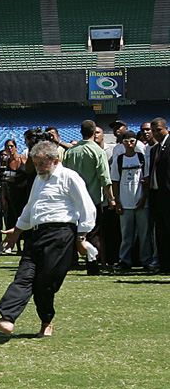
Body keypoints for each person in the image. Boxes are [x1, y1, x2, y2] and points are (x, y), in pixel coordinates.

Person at [0, 139, 96, 337]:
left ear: (55, 160)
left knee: (43, 284)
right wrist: (17, 230)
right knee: (24, 276)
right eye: (36, 165)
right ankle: (7, 319)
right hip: (37, 234)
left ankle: (46, 321)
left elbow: (87, 208)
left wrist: (81, 238)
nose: (39, 169)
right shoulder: (39, 179)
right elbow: (30, 207)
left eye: (42, 164)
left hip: (61, 236)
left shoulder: (69, 177)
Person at [63, 120, 115, 275]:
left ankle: (70, 261)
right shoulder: (98, 151)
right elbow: (104, 178)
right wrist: (111, 197)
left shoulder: (71, 152)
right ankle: (93, 264)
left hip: (73, 199)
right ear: (94, 133)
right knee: (94, 233)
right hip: (92, 199)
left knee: (73, 232)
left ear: (81, 132)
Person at [111, 130, 156, 272]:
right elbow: (115, 181)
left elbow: (147, 179)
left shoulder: (142, 158)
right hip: (125, 203)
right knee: (126, 235)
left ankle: (146, 260)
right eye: (126, 142)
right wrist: (117, 202)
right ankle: (124, 260)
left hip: (142, 203)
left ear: (136, 142)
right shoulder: (119, 160)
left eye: (132, 141)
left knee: (144, 234)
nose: (129, 144)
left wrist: (143, 198)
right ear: (122, 143)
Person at [149, 117, 170, 273]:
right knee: (160, 232)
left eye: (158, 130)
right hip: (157, 196)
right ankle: (164, 265)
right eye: (153, 130)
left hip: (168, 195)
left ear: (166, 128)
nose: (156, 133)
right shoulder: (154, 149)